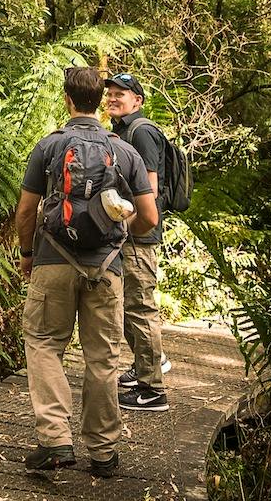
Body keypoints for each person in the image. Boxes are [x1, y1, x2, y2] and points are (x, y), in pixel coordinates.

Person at [10, 66, 160, 478]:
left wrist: (27, 252)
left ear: (68, 100)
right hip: (107, 268)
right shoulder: (125, 151)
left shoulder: (50, 145)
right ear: (100, 102)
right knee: (103, 357)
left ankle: (55, 439)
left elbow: (26, 210)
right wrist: (119, 234)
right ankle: (104, 452)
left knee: (43, 343)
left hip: (53, 260)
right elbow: (149, 216)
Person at [103, 73, 174, 413]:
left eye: (121, 94)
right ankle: (144, 367)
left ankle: (153, 389)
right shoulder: (122, 131)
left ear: (138, 101)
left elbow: (150, 189)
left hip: (139, 234)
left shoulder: (141, 132)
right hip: (129, 231)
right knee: (131, 305)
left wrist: (126, 228)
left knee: (140, 306)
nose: (113, 98)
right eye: (110, 94)